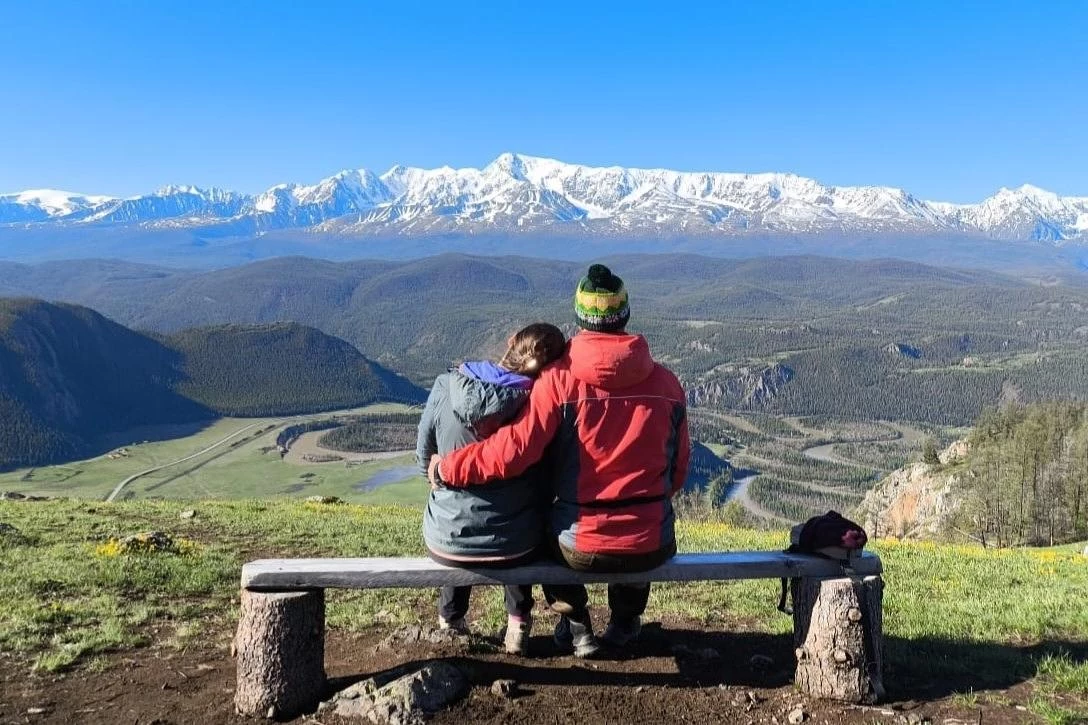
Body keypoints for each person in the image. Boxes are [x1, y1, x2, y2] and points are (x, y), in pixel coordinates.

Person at [429, 264, 690, 658]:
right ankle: (624, 622)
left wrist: (447, 467)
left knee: (544, 534)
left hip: (579, 543)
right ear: (625, 317)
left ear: (581, 318)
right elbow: (677, 471)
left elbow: (511, 453)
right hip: (652, 541)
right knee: (639, 534)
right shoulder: (667, 385)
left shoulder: (557, 380)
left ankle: (578, 624)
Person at [417, 322, 566, 656]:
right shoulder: (538, 405)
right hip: (516, 545)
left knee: (455, 516)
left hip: (447, 544)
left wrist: (440, 475)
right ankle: (518, 621)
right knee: (521, 516)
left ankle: (451, 619)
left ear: (510, 342)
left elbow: (422, 456)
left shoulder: (445, 385)